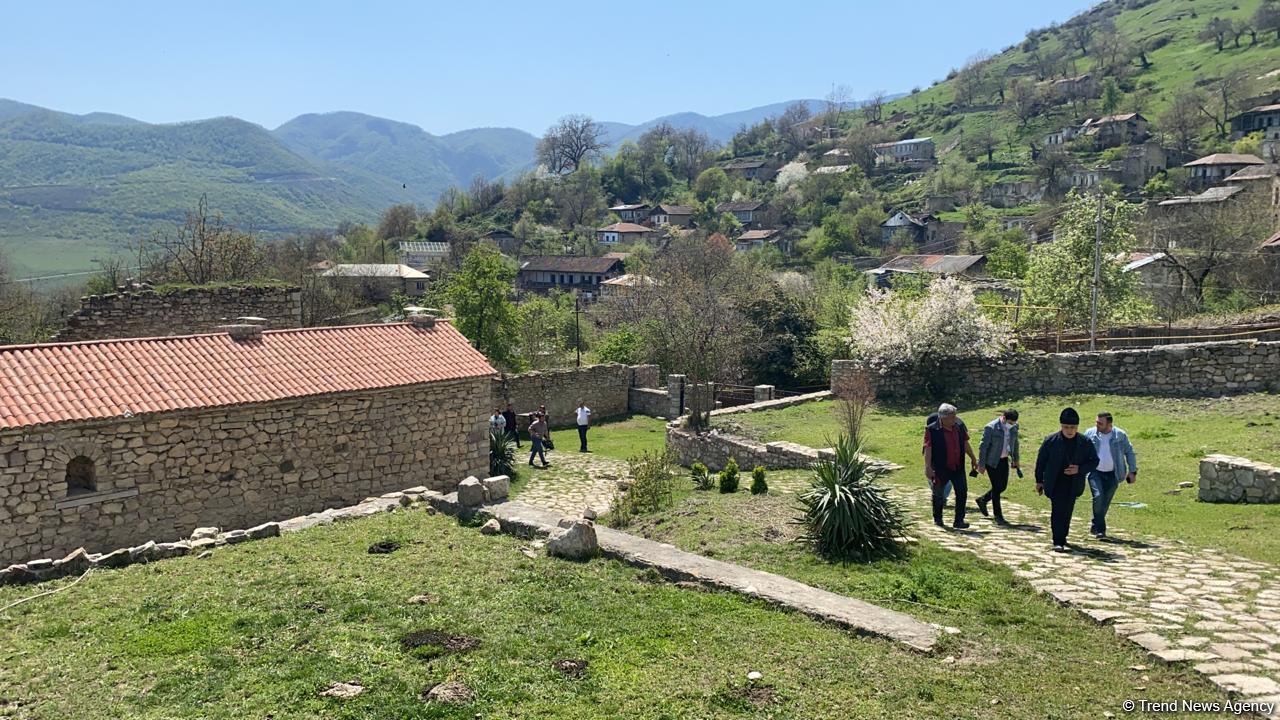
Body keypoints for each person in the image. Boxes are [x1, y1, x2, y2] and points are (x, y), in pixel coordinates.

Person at [1034, 407, 1099, 552]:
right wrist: (1039, 481)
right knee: (1057, 510)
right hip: (1055, 481)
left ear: (1077, 427)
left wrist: (1079, 469)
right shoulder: (1051, 441)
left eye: (1073, 427)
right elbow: (1041, 462)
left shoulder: (1085, 442)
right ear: (1061, 426)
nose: (1069, 430)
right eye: (1066, 427)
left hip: (1074, 482)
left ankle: (1063, 536)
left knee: (1068, 510)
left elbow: (1094, 461)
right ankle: (1058, 540)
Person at [1083, 411, 1138, 539]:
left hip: (1114, 473)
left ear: (1109, 424)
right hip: (1095, 472)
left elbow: (1129, 452)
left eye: (1100, 423)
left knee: (1105, 502)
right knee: (1098, 497)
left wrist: (1132, 471)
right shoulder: (1090, 434)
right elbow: (1080, 451)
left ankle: (1096, 523)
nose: (1097, 425)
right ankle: (1101, 530)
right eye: (1096, 422)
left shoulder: (1120, 435)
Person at [924, 404, 979, 529]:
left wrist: (973, 458)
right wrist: (928, 466)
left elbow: (965, 443)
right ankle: (938, 519)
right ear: (942, 418)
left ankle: (959, 520)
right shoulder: (932, 430)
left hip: (958, 466)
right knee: (938, 493)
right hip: (940, 467)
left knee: (962, 492)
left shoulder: (959, 426)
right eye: (951, 417)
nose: (955, 419)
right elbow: (928, 448)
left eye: (955, 416)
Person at [975, 409, 1020, 526]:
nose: (1012, 425)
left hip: (1004, 460)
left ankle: (983, 500)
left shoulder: (1014, 427)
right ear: (1004, 418)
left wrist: (1016, 459)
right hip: (992, 461)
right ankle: (998, 516)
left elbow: (1015, 444)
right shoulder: (991, 427)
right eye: (1010, 422)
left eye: (1014, 423)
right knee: (996, 487)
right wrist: (981, 464)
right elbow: (983, 447)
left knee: (1002, 486)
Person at [923, 411, 967, 507]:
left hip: (954, 462)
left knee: (952, 484)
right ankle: (939, 499)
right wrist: (928, 465)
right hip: (937, 459)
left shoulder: (958, 423)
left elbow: (964, 441)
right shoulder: (932, 424)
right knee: (935, 480)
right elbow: (928, 446)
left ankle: (942, 498)